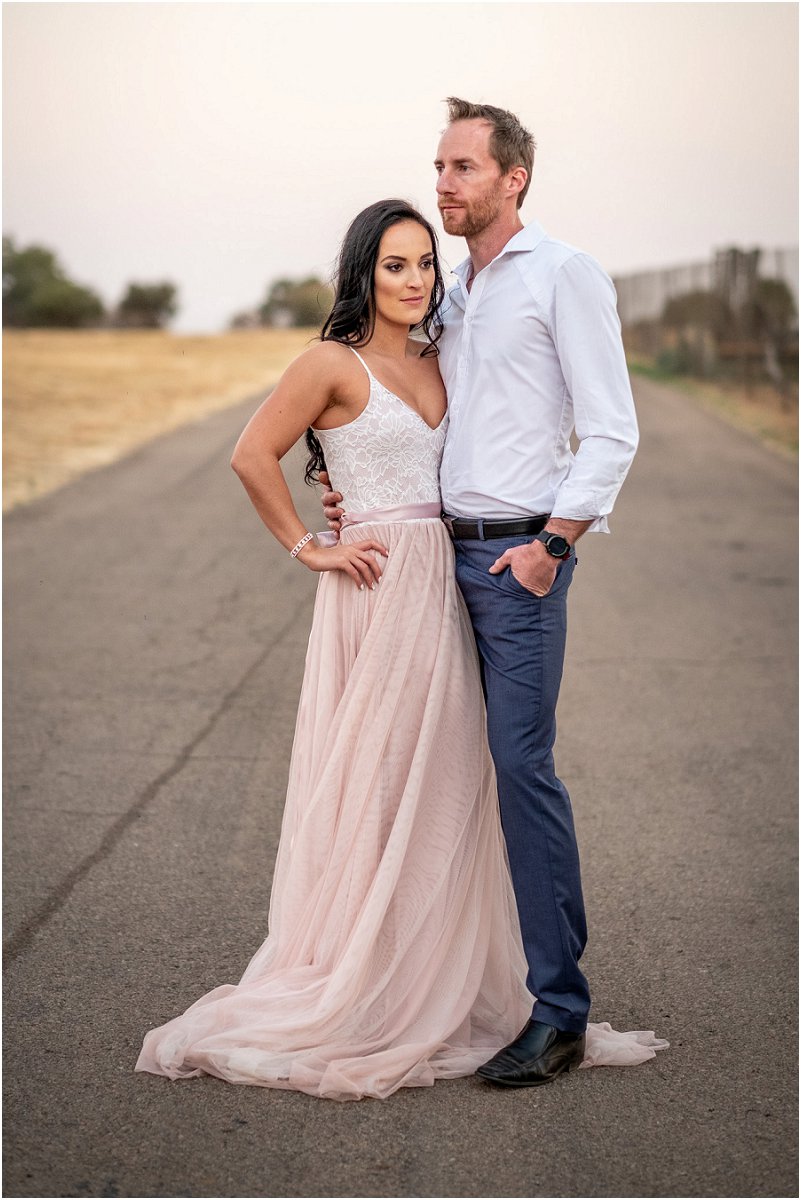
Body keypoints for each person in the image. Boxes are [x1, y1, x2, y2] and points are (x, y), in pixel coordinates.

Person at [135, 198, 664, 1102]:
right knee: (374, 775)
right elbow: (252, 455)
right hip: (377, 588)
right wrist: (311, 544)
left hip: (448, 580)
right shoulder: (327, 362)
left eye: (424, 263)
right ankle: (365, 977)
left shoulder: (438, 353)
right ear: (362, 273)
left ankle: (435, 967)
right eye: (394, 265)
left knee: (446, 778)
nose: (416, 280)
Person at [320, 99, 665, 1088]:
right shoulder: (453, 290)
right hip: (434, 561)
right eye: (438, 166)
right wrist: (347, 489)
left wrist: (554, 544)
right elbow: (408, 411)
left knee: (519, 768)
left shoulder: (564, 274)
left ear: (513, 179)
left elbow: (611, 429)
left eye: (462, 167)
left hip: (518, 562)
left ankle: (558, 1011)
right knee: (430, 770)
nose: (443, 184)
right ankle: (431, 982)